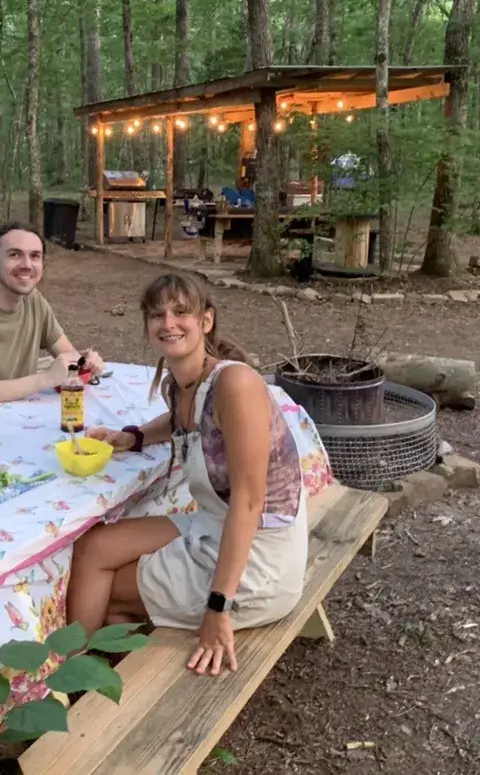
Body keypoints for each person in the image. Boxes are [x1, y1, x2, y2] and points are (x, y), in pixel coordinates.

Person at [65, 271, 306, 677]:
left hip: (260, 558)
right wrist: (133, 437)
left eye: (180, 312)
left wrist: (218, 607)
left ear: (206, 321)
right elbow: (187, 419)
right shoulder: (180, 384)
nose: (168, 323)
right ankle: (95, 668)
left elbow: (250, 502)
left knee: (105, 593)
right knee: (94, 548)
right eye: (157, 314)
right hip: (214, 523)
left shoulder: (236, 384)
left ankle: (78, 683)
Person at [0, 222, 105, 405]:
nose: (27, 265)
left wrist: (85, 360)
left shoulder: (34, 301)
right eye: (14, 254)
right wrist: (45, 378)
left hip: (24, 413)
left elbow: (69, 358)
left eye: (35, 256)